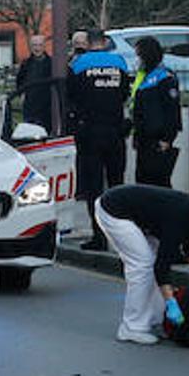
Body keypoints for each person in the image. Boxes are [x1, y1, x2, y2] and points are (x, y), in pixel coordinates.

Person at [93, 184, 189, 345]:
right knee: (142, 264)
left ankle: (156, 319)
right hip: (113, 210)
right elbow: (162, 267)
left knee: (149, 261)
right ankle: (132, 327)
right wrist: (171, 302)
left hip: (139, 217)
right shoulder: (182, 217)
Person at [67, 29, 131, 251]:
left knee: (93, 186)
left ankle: (98, 236)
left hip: (89, 131)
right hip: (114, 130)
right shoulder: (119, 62)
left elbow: (70, 96)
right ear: (104, 42)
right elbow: (125, 93)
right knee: (116, 184)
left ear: (88, 43)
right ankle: (121, 238)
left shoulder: (78, 64)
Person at [131, 36, 181, 188]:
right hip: (144, 138)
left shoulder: (165, 78)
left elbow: (172, 110)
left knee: (158, 182)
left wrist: (168, 138)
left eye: (139, 55)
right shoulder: (144, 77)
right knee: (143, 180)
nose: (137, 59)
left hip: (158, 139)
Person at [15, 34, 54, 132]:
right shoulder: (26, 64)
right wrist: (21, 95)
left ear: (44, 46)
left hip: (47, 107)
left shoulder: (51, 63)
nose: (37, 48)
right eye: (34, 45)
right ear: (30, 46)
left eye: (40, 45)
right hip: (30, 106)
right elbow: (19, 82)